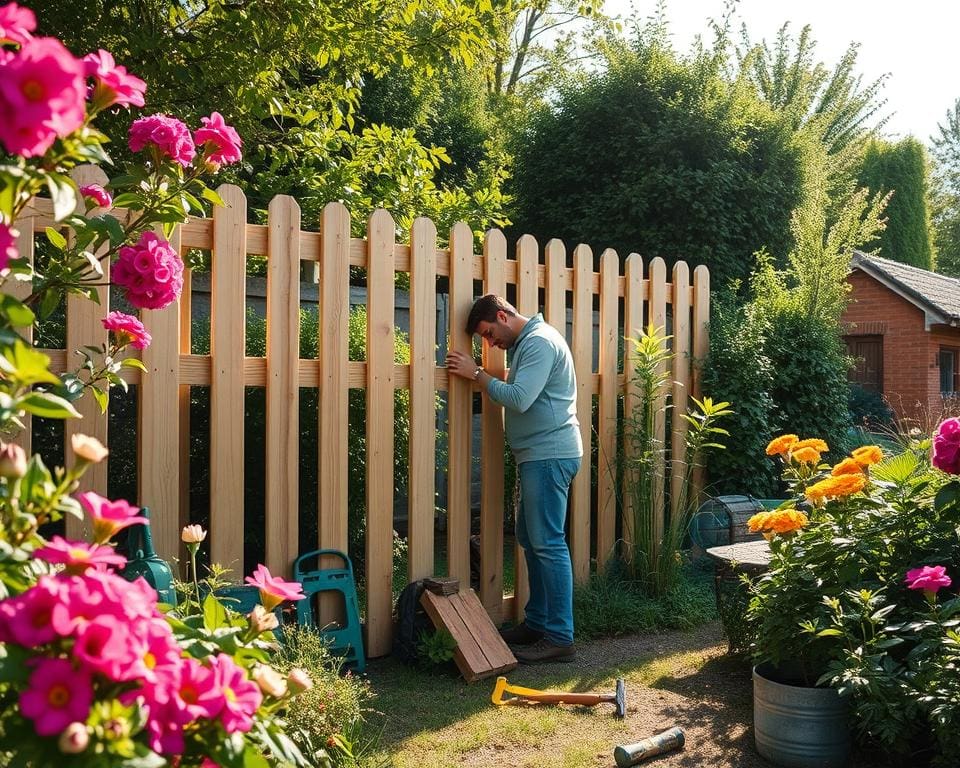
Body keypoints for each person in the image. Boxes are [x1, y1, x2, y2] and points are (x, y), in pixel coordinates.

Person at [446, 294, 582, 663]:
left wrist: (477, 374)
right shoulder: (530, 342)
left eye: (489, 334)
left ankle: (559, 636)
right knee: (531, 539)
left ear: (503, 316)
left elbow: (520, 398)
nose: (490, 344)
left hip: (549, 455)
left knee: (548, 542)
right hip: (537, 456)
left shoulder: (538, 342)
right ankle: (537, 623)